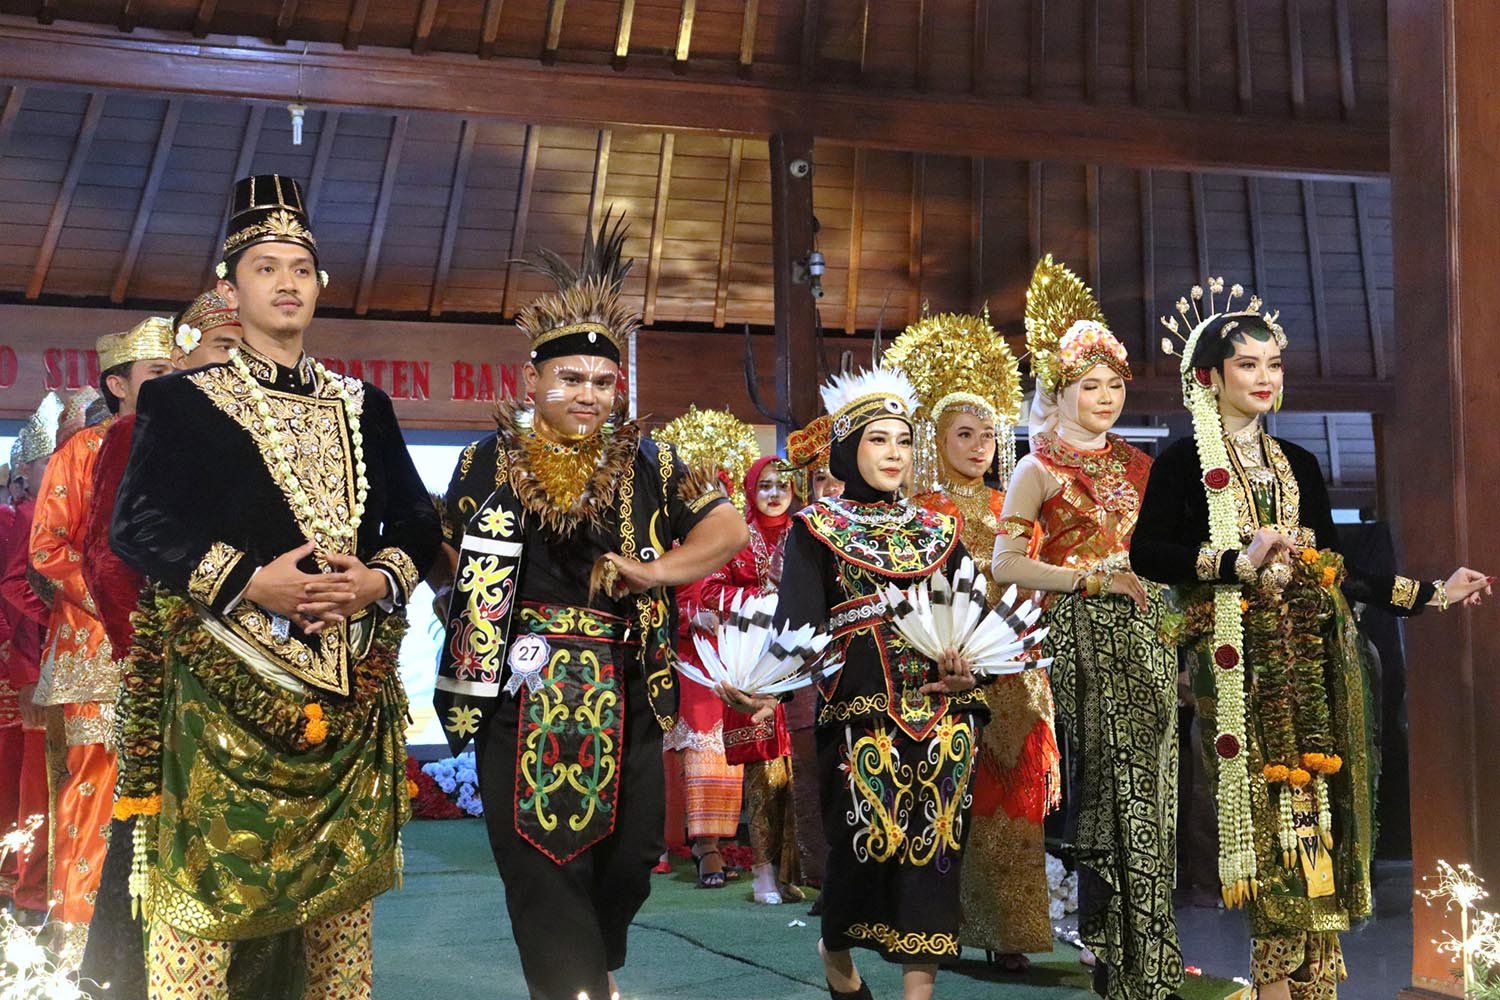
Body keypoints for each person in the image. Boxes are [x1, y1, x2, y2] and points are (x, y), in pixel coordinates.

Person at [110, 174, 441, 999]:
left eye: (300, 268)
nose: (286, 282)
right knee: (202, 911)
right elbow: (137, 525)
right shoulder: (180, 400)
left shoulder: (364, 405)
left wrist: (377, 580)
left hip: (349, 690)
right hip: (227, 683)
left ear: (319, 286)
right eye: (266, 267)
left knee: (341, 918)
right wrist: (252, 582)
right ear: (231, 288)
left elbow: (416, 521)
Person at [1132, 279, 1490, 1000]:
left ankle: (1313, 986)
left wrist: (1431, 594)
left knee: (1315, 818)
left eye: (1273, 364)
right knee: (1267, 827)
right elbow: (1148, 554)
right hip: (1241, 671)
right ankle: (1273, 988)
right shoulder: (1180, 464)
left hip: (1314, 663)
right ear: (1209, 377)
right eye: (1247, 364)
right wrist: (1236, 561)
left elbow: (1339, 567)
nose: (1265, 377)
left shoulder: (1299, 462)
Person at [436, 214, 746, 1000]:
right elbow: (439, 541)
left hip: (628, 684)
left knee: (633, 856)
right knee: (538, 863)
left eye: (603, 382)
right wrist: (455, 598)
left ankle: (589, 968)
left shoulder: (655, 462)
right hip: (518, 690)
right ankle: (573, 985)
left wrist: (655, 571)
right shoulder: (482, 461)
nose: (588, 395)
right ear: (531, 382)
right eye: (571, 378)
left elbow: (728, 528)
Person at [722, 368, 986, 1000]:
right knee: (861, 853)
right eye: (878, 440)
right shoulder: (815, 530)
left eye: (904, 440)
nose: (894, 453)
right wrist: (765, 689)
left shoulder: (941, 531)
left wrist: (970, 670)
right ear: (847, 449)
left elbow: (974, 619)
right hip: (859, 722)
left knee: (936, 855)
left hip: (945, 719)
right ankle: (835, 954)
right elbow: (796, 628)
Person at [989, 257, 1182, 998]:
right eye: (1089, 385)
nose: (1105, 398)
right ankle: (1116, 950)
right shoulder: (1036, 467)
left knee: (1154, 789)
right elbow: (1008, 564)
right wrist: (1090, 579)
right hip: (1084, 636)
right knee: (1114, 787)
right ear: (1059, 390)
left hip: (1149, 633)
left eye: (1115, 386)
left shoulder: (1143, 466)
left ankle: (1148, 953)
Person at [77, 297, 246, 1000]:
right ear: (184, 356)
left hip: (268, 669)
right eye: (223, 347)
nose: (238, 360)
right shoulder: (141, 426)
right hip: (176, 664)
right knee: (162, 829)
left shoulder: (285, 425)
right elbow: (106, 557)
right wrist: (152, 652)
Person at [884, 309, 1061, 973]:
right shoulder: (922, 513)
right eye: (965, 433)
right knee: (952, 802)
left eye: (989, 434)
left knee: (1017, 806)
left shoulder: (1014, 508)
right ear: (937, 438)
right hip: (949, 675)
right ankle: (944, 925)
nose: (981, 445)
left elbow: (1038, 583)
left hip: (1018, 679)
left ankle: (1012, 933)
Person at [31, 340, 169, 964]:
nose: (172, 380)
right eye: (157, 372)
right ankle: (80, 944)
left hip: (170, 650)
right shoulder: (82, 451)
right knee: (95, 789)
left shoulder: (181, 447)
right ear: (118, 384)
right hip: (93, 652)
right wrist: (122, 602)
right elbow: (48, 549)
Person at [651, 407, 761, 889]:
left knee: (714, 747)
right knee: (678, 748)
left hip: (724, 658)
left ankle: (710, 844)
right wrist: (687, 617)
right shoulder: (664, 541)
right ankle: (672, 842)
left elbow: (755, 591)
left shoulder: (737, 542)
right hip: (673, 658)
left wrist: (737, 610)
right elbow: (650, 596)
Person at [700, 455, 803, 905]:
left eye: (783, 485)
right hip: (754, 665)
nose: (775, 493)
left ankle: (792, 872)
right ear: (750, 490)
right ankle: (763, 872)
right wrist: (762, 598)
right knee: (765, 771)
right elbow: (708, 589)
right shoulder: (738, 536)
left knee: (800, 771)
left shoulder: (807, 533)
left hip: (800, 663)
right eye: (765, 485)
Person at [0, 395, 63, 926]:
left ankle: (42, 886)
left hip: (51, 661)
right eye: (49, 462)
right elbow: (15, 587)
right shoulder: (27, 514)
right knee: (35, 779)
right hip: (36, 662)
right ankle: (31, 888)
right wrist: (64, 614)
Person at [782, 414, 841, 903]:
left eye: (836, 476)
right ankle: (824, 876)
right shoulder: (804, 531)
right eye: (821, 478)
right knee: (812, 770)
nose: (831, 487)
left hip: (868, 670)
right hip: (808, 670)